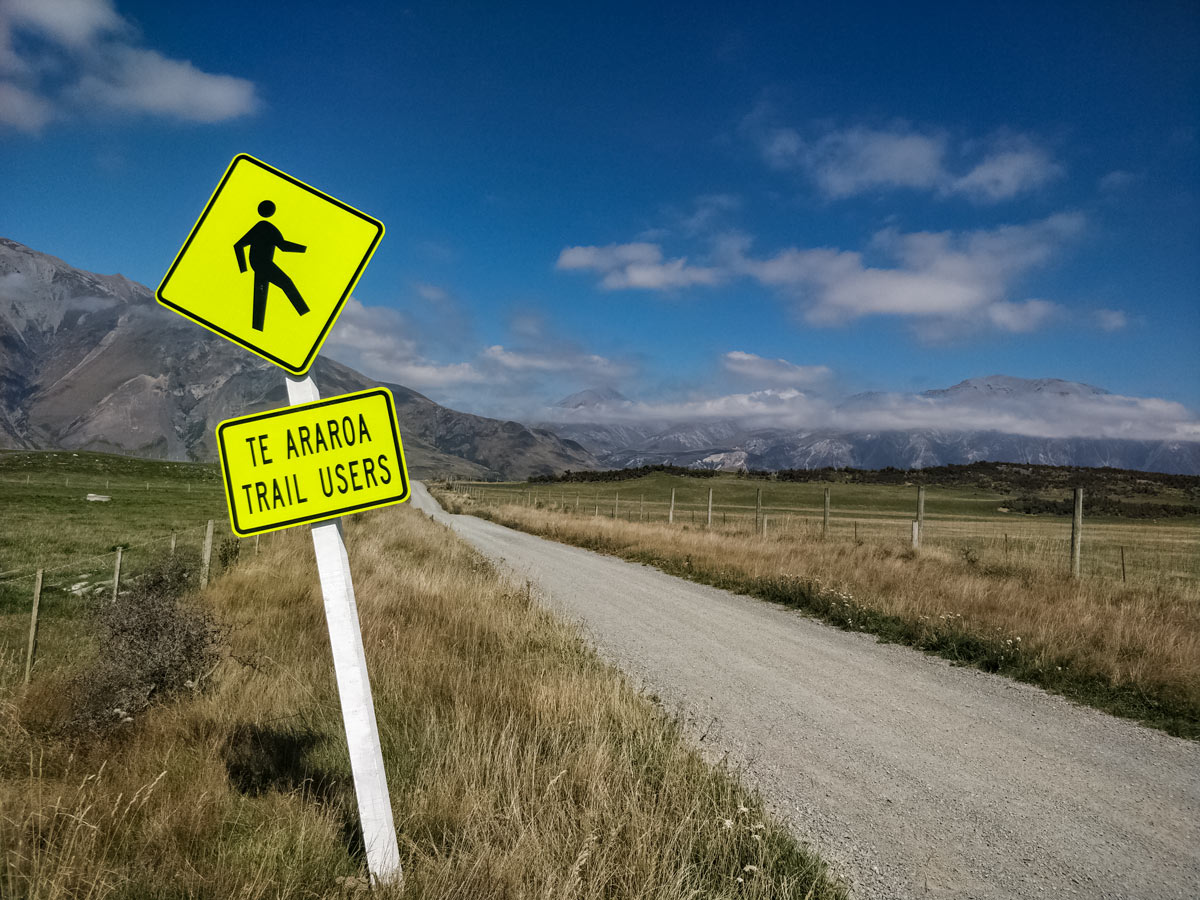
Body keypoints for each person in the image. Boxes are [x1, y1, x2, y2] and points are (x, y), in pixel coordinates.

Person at [233, 200, 309, 331]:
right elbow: (283, 246)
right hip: (262, 263)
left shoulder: (262, 227)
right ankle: (305, 313)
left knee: (260, 295)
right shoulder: (266, 228)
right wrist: (305, 249)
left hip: (257, 263)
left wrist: (245, 268)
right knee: (287, 283)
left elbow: (238, 245)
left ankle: (256, 328)